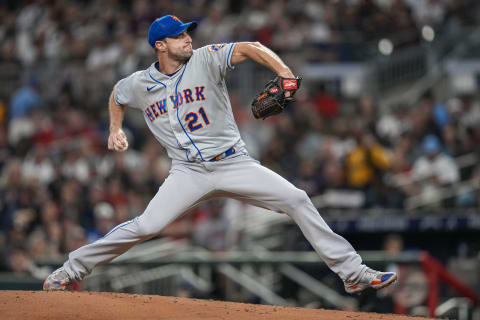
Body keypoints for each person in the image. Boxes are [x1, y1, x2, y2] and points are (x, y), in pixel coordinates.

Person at [43, 15, 396, 294]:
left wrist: (284, 72)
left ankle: (352, 273)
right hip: (187, 172)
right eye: (180, 36)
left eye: (188, 33)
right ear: (160, 45)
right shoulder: (139, 83)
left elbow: (250, 47)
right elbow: (117, 96)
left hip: (233, 162)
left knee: (297, 199)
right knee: (146, 225)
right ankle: (69, 270)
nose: (188, 39)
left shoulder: (206, 59)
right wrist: (115, 128)